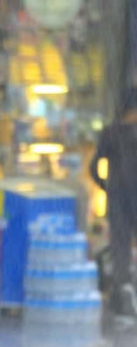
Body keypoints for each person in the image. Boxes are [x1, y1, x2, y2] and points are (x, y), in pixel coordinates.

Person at [91, 88, 137, 323]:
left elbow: (93, 167)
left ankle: (124, 295)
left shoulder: (111, 133)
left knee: (120, 248)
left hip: (117, 200)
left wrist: (108, 188)